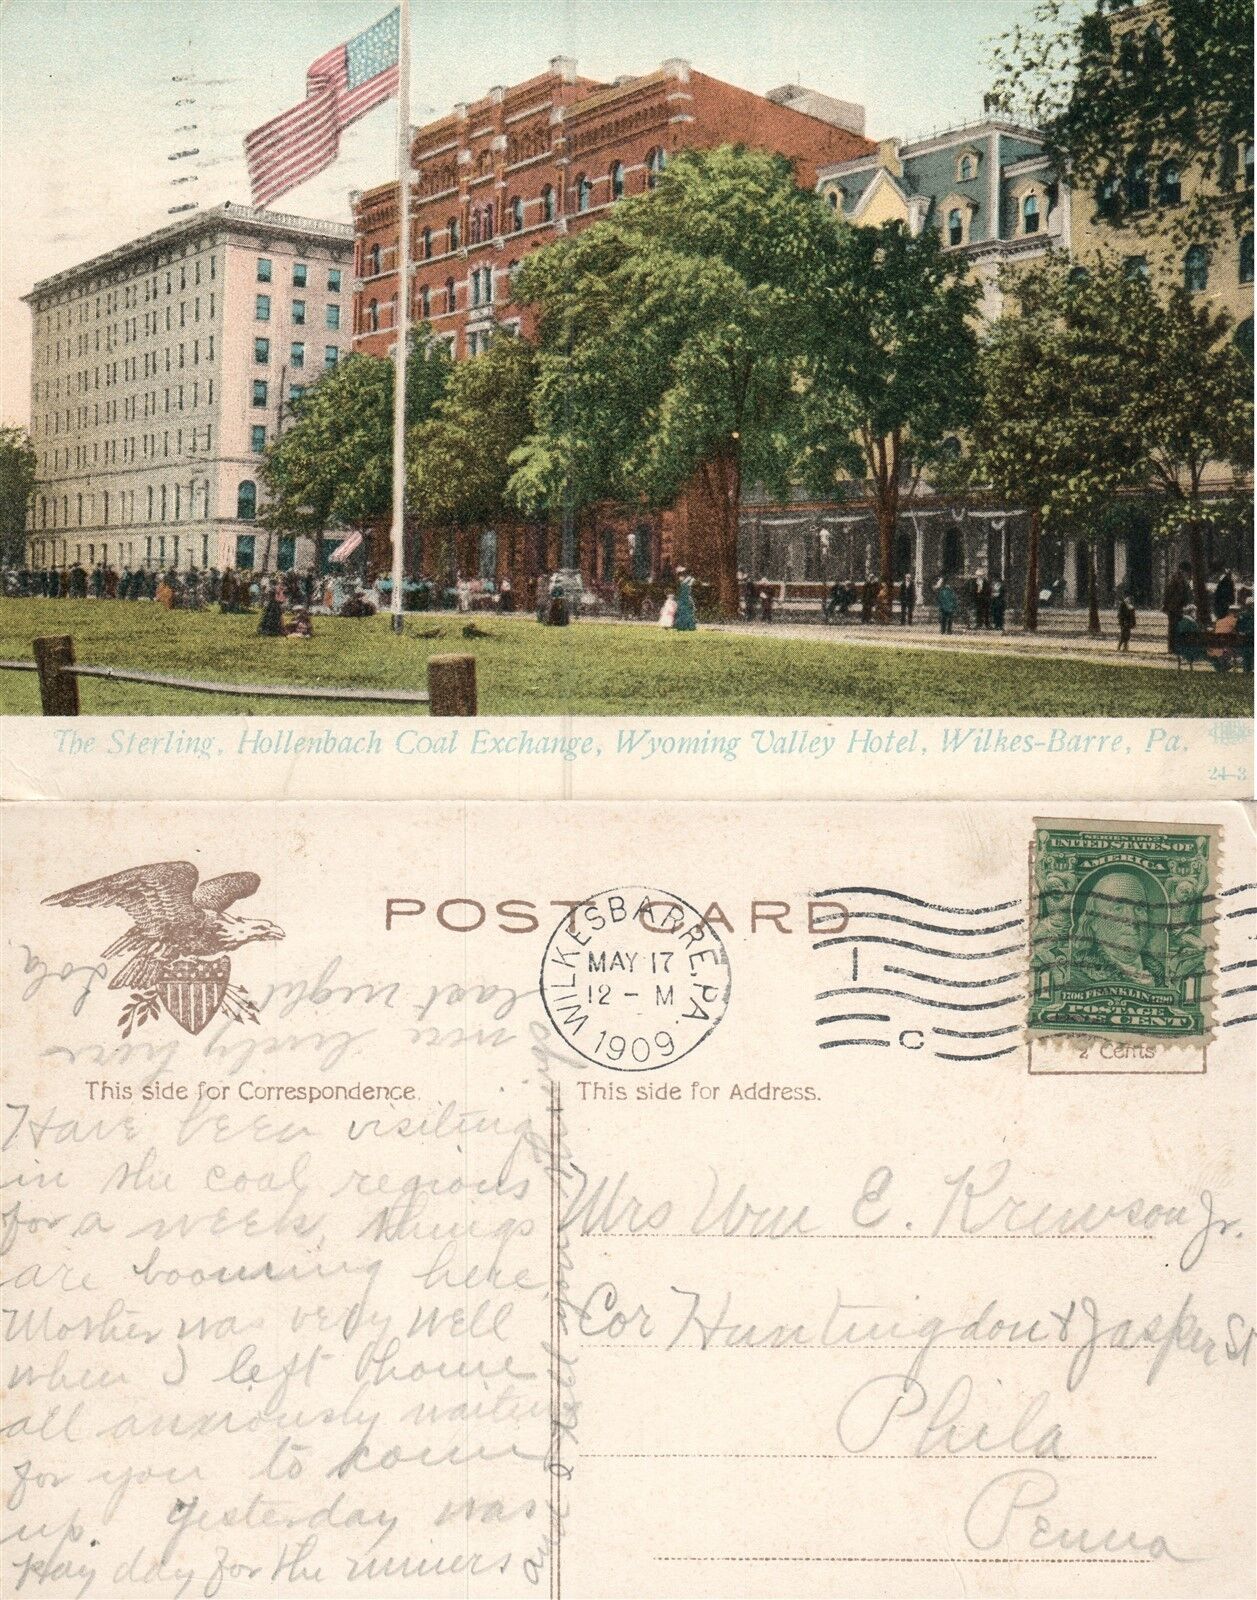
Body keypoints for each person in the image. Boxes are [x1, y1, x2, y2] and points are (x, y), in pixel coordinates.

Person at [1163, 560, 1191, 655]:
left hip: (1178, 607)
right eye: (1186, 572)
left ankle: (1175, 647)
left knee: (1176, 628)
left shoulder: (1182, 579)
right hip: (1174, 607)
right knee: (1173, 628)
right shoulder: (1175, 578)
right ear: (1182, 570)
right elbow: (1168, 592)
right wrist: (1166, 605)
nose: (1187, 574)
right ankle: (1172, 648)